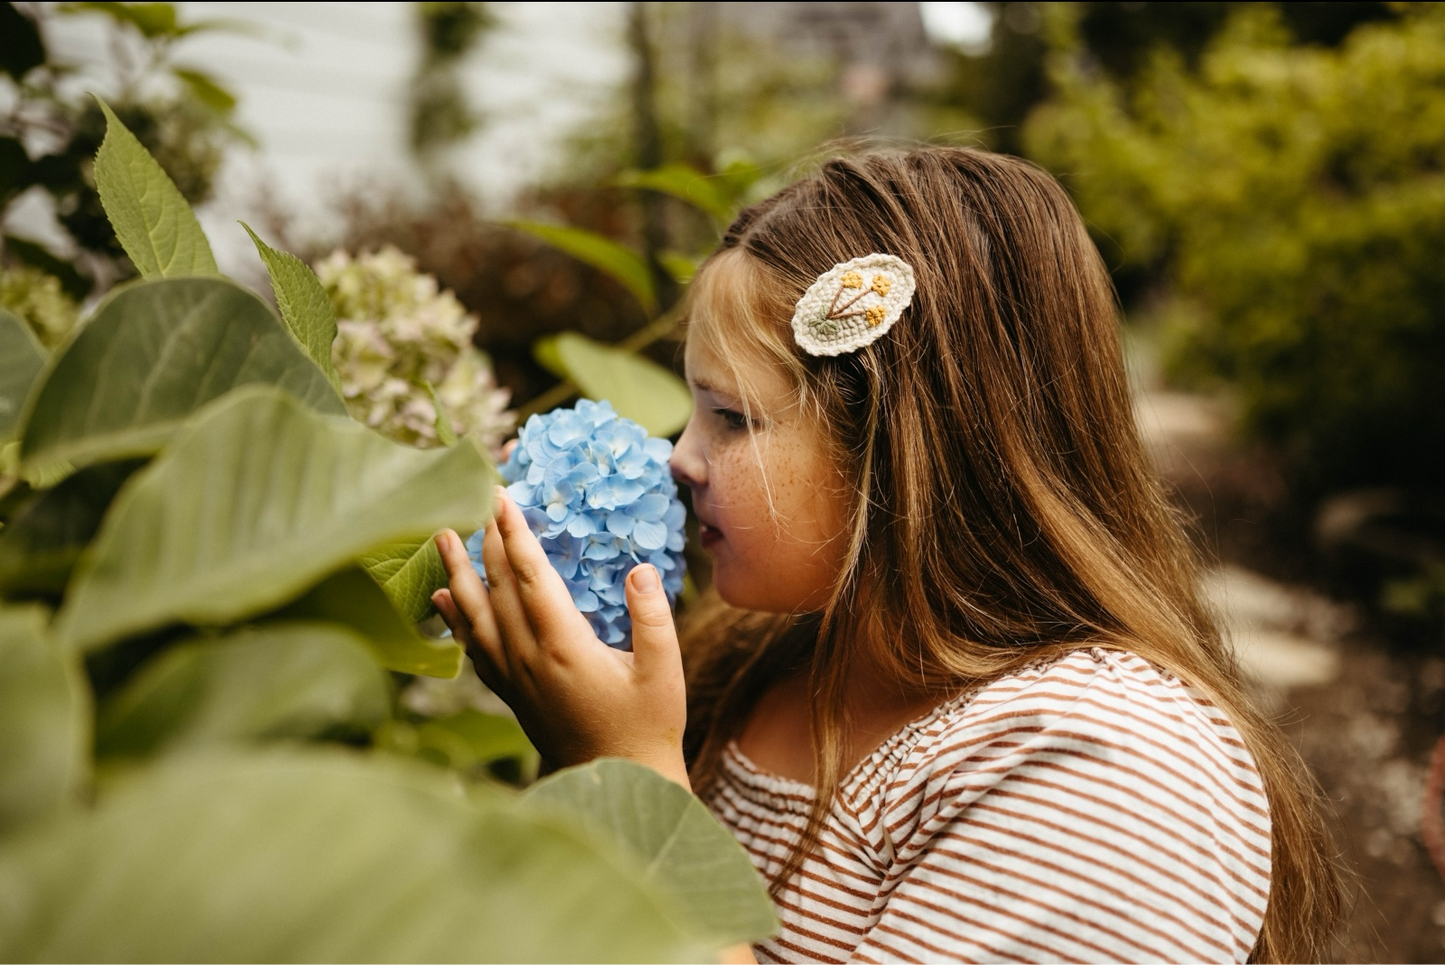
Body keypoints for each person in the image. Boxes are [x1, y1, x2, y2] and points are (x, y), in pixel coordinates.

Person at [431, 147, 1341, 964]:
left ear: (904, 447)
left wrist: (623, 773)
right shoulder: (772, 653)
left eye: (733, 415)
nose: (679, 455)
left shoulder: (1110, 770)